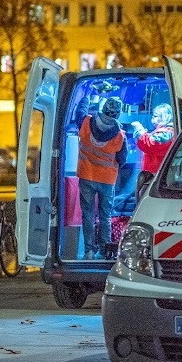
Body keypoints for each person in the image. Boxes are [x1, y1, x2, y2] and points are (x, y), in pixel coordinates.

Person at [74, 93, 128, 260]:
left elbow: (79, 110)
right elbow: (123, 160)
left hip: (86, 176)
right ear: (118, 114)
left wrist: (87, 96)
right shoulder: (120, 135)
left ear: (103, 109)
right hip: (107, 180)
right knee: (105, 217)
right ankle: (104, 251)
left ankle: (88, 251)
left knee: (88, 215)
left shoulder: (85, 122)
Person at [130, 103, 175, 174]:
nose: (153, 118)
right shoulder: (165, 131)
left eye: (156, 116)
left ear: (165, 117)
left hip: (157, 172)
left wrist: (139, 131)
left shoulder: (166, 133)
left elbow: (150, 145)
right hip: (155, 171)